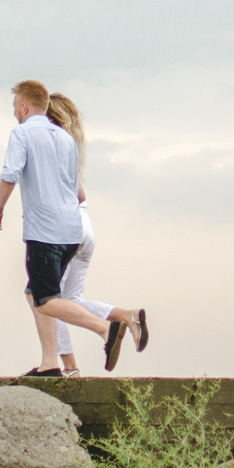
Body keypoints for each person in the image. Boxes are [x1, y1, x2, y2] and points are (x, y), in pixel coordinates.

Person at [0, 79, 146, 375]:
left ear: (23, 106)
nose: (14, 113)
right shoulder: (66, 140)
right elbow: (76, 190)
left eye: (14, 107)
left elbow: (10, 174)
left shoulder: (22, 133)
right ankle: (50, 364)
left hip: (44, 232)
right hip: (73, 232)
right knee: (41, 294)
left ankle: (105, 330)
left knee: (45, 300)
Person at [44, 91, 146, 376]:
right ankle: (127, 316)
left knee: (47, 300)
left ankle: (70, 367)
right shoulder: (70, 144)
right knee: (71, 301)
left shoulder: (49, 143)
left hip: (67, 228)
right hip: (86, 226)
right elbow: (81, 193)